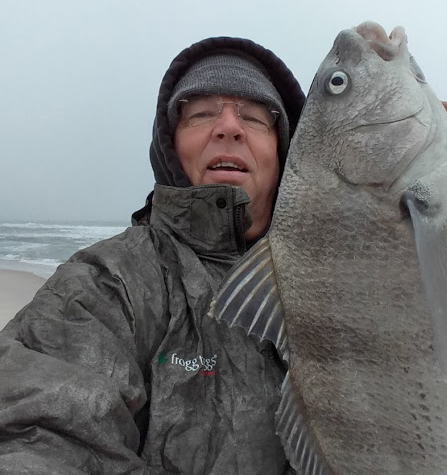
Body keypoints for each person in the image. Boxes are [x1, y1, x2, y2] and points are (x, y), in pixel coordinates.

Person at [0, 36, 305, 474]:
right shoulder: (106, 283)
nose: (229, 127)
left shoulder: (336, 279)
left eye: (256, 117)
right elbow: (41, 429)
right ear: (169, 146)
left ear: (282, 154)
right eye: (202, 113)